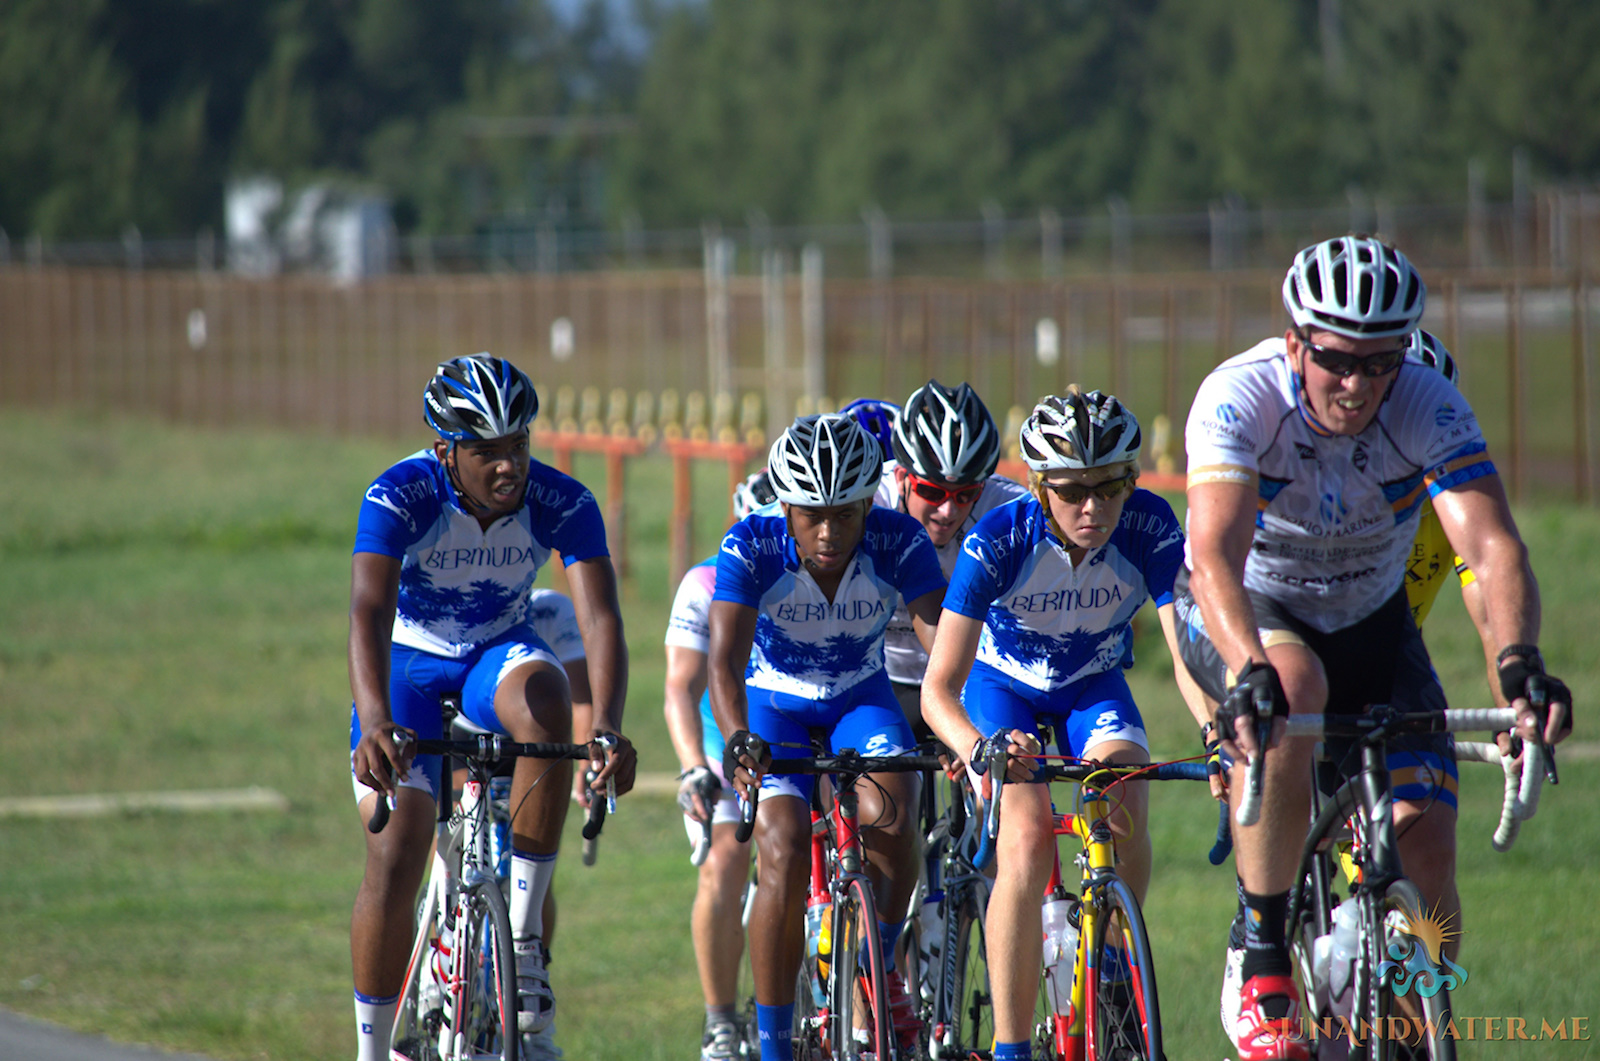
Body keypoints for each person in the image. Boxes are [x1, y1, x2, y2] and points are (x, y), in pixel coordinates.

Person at [1176, 236, 1572, 1061]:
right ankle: (1262, 951)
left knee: (1427, 841)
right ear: (1296, 342)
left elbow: (1491, 547)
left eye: (1380, 362)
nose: (1357, 385)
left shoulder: (1428, 401)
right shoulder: (1239, 396)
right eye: (1337, 361)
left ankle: (1406, 1031)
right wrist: (1247, 667)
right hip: (1253, 606)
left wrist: (1519, 664)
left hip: (1373, 621)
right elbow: (1213, 554)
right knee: (1294, 682)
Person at [347, 353, 637, 1061]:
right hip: (409, 666)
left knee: (548, 705)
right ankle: (371, 1050)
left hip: (495, 654)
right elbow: (368, 610)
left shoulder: (562, 500)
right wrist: (376, 718)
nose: (509, 465)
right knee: (397, 852)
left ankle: (525, 938)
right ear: (446, 450)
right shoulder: (400, 493)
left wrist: (605, 726)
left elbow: (600, 618)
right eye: (486, 452)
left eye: (519, 444)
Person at [921, 388, 1192, 1061]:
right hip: (1001, 689)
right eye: (1072, 491)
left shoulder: (1151, 526)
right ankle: (1012, 1047)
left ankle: (1111, 969)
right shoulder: (998, 539)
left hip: (1091, 684)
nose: (1092, 507)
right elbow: (938, 690)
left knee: (1125, 794)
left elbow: (1189, 654)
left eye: (1110, 486)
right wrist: (978, 748)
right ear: (1041, 487)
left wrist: (1219, 730)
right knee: (1026, 837)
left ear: (1132, 480)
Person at [712, 414, 948, 1061]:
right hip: (774, 707)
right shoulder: (750, 543)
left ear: (869, 503)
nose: (829, 533)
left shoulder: (899, 540)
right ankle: (774, 1046)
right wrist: (737, 737)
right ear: (785, 507)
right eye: (812, 515)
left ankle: (879, 969)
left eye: (845, 514)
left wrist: (964, 726)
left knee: (895, 813)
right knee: (784, 847)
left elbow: (942, 647)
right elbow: (724, 661)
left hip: (859, 697)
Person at [665, 469, 775, 1061]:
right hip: (718, 741)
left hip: (787, 738)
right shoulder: (705, 581)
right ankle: (721, 1021)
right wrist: (692, 767)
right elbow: (680, 687)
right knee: (726, 860)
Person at [874, 379, 1028, 732]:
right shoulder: (868, 502)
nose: (947, 511)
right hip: (879, 677)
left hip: (973, 675)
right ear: (901, 477)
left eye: (965, 494)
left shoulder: (1006, 508)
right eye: (932, 492)